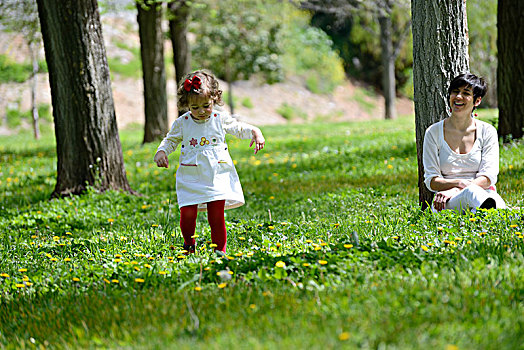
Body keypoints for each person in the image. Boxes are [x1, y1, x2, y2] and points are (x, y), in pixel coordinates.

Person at [154, 69, 265, 253]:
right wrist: (162, 151)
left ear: (214, 98)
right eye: (194, 108)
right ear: (186, 105)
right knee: (188, 213)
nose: (201, 112)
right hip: (191, 175)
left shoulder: (219, 119)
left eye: (206, 105)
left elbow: (237, 128)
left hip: (216, 175)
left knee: (216, 216)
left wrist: (255, 132)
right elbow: (171, 140)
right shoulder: (183, 123)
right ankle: (189, 245)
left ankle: (219, 250)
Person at [423, 73, 506, 212]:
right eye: (455, 92)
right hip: (446, 201)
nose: (458, 97)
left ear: (477, 101)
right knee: (471, 194)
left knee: (499, 205)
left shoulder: (487, 131)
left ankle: (479, 218)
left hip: (485, 194)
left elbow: (488, 177)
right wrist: (459, 185)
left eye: (466, 93)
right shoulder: (433, 132)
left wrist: (455, 190)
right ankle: (484, 215)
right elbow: (431, 181)